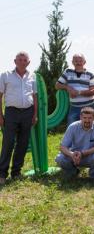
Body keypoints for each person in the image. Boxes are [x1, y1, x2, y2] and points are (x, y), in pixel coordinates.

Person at [0, 52, 37, 184]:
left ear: (28, 62)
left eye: (24, 60)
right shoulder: (5, 75)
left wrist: (35, 114)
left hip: (28, 112)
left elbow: (35, 96)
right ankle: (2, 174)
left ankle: (16, 172)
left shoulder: (32, 76)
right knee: (8, 143)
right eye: (19, 60)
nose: (22, 62)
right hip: (11, 112)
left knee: (22, 143)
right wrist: (0, 115)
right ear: (15, 61)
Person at [55, 107, 94, 179]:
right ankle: (73, 172)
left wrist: (82, 153)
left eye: (90, 118)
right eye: (84, 117)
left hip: (89, 156)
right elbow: (62, 147)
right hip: (74, 156)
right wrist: (72, 154)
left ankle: (92, 175)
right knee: (59, 158)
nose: (87, 120)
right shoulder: (72, 126)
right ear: (80, 117)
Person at [56, 53, 94, 126]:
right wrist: (68, 88)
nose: (78, 63)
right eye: (76, 61)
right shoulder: (68, 72)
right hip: (74, 107)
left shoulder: (90, 74)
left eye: (80, 61)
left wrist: (78, 92)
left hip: (89, 107)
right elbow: (57, 85)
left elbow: (93, 91)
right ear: (72, 62)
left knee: (88, 129)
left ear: (84, 62)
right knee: (72, 129)